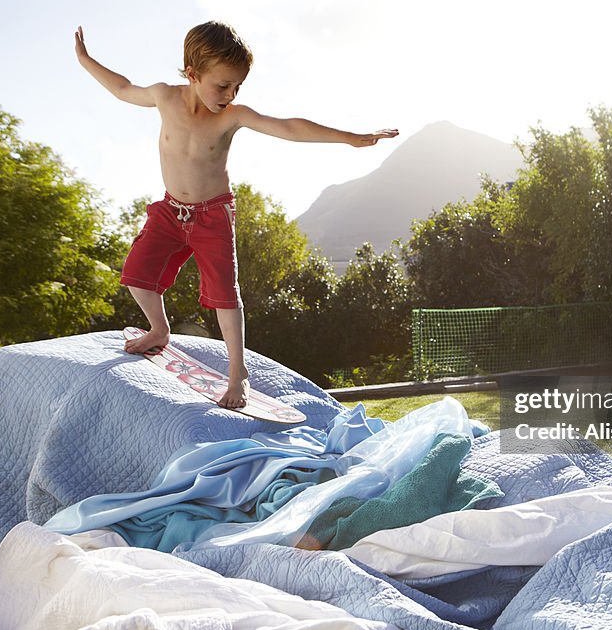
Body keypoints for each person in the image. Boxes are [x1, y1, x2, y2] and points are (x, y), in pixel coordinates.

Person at [74, 21, 398, 410]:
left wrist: (349, 137)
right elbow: (123, 88)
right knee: (137, 274)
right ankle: (159, 329)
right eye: (223, 85)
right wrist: (85, 59)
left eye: (237, 87)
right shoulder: (163, 96)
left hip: (212, 215)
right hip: (170, 211)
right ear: (192, 75)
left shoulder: (232, 116)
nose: (230, 95)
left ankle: (237, 372)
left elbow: (289, 127)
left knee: (225, 296)